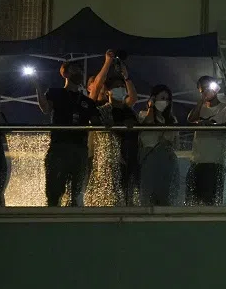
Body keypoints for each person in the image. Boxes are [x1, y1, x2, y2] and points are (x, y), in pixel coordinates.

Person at [35, 61, 100, 207]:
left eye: (80, 70)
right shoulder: (55, 93)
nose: (78, 72)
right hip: (59, 146)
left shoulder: (87, 101)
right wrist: (38, 88)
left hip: (80, 148)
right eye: (74, 69)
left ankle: (74, 216)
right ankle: (53, 216)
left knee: (76, 192)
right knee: (54, 190)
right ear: (64, 73)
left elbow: (97, 121)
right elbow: (45, 108)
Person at [93, 76, 140, 206]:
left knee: (130, 195)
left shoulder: (130, 111)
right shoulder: (103, 111)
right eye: (116, 86)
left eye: (122, 86)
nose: (120, 89)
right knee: (112, 195)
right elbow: (99, 131)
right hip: (111, 160)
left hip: (132, 158)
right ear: (107, 91)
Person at [187, 75, 226, 206]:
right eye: (203, 89)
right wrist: (201, 101)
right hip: (196, 162)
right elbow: (190, 119)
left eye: (208, 87)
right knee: (191, 202)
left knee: (211, 203)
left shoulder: (225, 108)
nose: (207, 91)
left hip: (215, 162)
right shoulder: (200, 108)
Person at [138, 85, 179, 206]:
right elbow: (148, 123)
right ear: (153, 98)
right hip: (150, 157)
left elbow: (175, 142)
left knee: (165, 195)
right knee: (148, 193)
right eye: (161, 98)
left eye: (167, 99)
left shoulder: (172, 120)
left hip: (167, 158)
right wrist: (151, 106)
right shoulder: (143, 114)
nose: (164, 102)